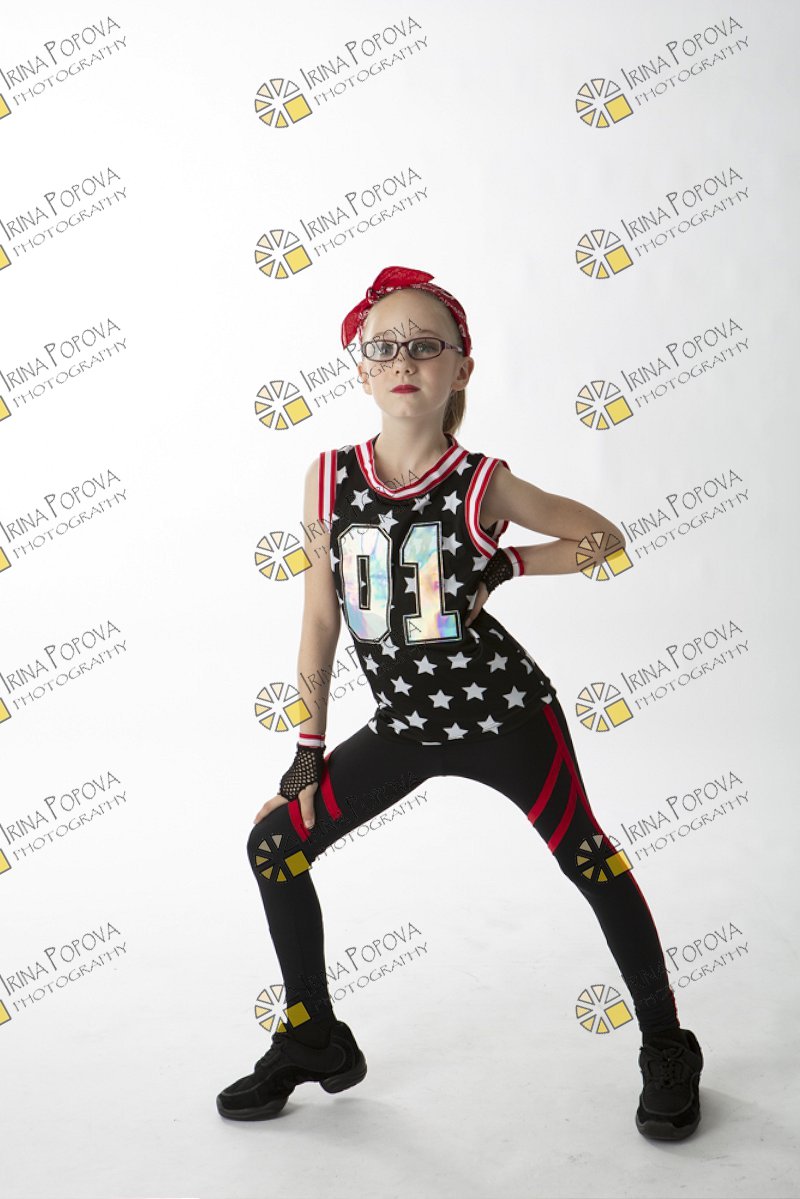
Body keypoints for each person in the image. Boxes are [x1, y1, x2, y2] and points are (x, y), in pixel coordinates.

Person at [216, 265, 704, 1139]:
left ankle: (667, 1040)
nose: (404, 359)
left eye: (425, 344)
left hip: (505, 718)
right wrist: (306, 754)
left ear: (461, 368)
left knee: (588, 857)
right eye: (384, 346)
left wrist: (506, 563)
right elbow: (320, 618)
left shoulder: (481, 482)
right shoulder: (326, 478)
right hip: (406, 726)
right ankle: (313, 1034)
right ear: (361, 370)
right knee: (274, 847)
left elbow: (601, 537)